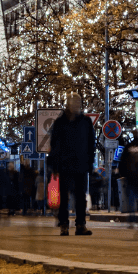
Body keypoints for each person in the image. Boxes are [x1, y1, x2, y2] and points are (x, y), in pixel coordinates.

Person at [48, 97, 95, 236]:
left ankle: (81, 225)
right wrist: (55, 166)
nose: (76, 105)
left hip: (81, 164)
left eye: (78, 103)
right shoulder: (60, 122)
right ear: (68, 105)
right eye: (73, 103)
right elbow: (54, 145)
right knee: (64, 197)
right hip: (64, 165)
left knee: (81, 197)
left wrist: (90, 163)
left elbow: (91, 144)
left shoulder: (85, 122)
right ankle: (64, 225)